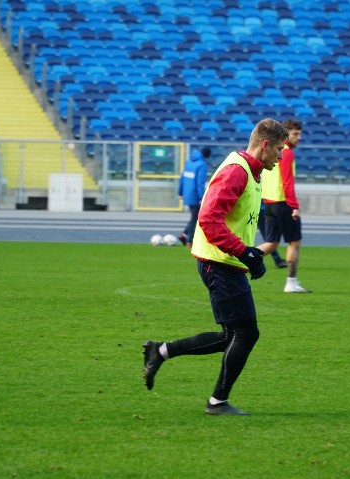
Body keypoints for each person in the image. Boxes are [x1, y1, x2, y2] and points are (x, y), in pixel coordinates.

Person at [142, 118, 289, 415]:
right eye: (279, 149)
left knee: (230, 336)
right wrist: (242, 253)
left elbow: (241, 217)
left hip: (225, 262)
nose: (281, 156)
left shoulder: (251, 170)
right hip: (219, 263)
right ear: (265, 145)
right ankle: (217, 401)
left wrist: (252, 256)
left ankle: (160, 351)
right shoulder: (237, 171)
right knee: (246, 334)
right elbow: (208, 220)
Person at [259, 118, 311, 293]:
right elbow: (287, 181)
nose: (299, 137)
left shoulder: (273, 151)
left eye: (300, 134)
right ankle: (291, 282)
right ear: (285, 134)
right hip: (283, 203)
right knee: (294, 242)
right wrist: (294, 205)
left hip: (269, 202)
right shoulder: (286, 152)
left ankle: (238, 263)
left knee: (271, 244)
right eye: (295, 134)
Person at [177, 146, 210, 247]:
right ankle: (189, 241)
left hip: (187, 193)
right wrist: (201, 197)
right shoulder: (202, 165)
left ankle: (184, 235)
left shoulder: (188, 163)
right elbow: (200, 183)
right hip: (195, 195)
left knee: (194, 217)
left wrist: (180, 192)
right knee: (195, 218)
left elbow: (182, 179)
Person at [257, 201, 286, 268]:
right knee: (269, 239)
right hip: (263, 209)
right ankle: (277, 260)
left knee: (269, 239)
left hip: (265, 208)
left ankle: (277, 260)